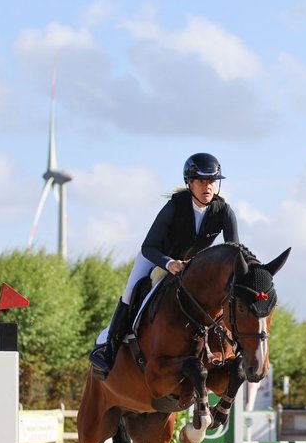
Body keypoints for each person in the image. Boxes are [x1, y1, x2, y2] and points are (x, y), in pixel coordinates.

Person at [88, 152, 240, 378]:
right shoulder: (174, 207)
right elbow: (148, 246)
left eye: (211, 182)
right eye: (200, 181)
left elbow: (232, 252)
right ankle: (109, 347)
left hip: (190, 267)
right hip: (157, 258)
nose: (207, 187)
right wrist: (169, 264)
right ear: (189, 183)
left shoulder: (224, 211)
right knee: (131, 292)